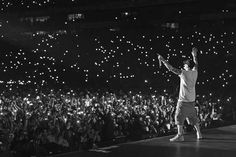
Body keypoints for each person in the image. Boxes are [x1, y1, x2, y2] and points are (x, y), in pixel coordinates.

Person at [158, 47, 203, 142]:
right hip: (192, 101)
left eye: (185, 64)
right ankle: (199, 133)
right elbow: (196, 64)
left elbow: (171, 68)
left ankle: (180, 135)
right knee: (193, 117)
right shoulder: (195, 72)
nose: (184, 65)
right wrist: (194, 55)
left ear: (187, 66)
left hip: (183, 101)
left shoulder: (183, 73)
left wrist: (163, 60)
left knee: (178, 117)